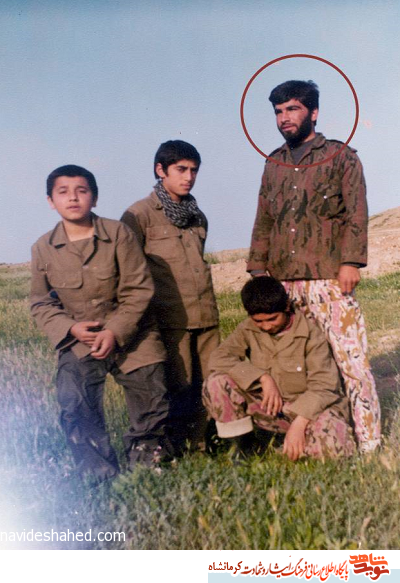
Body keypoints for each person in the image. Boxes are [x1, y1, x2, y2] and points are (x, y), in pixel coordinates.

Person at [247, 80, 380, 453]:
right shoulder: (273, 162)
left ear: (313, 112)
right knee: (298, 365)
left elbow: (356, 212)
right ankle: (314, 437)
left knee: (351, 362)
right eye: (278, 111)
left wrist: (350, 261)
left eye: (293, 109)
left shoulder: (341, 156)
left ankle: (369, 443)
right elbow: (264, 219)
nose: (284, 118)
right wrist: (258, 271)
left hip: (329, 279)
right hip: (283, 284)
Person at [30, 165, 173, 481]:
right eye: (63, 192)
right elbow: (41, 302)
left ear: (94, 198)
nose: (73, 198)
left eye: (81, 191)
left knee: (152, 400)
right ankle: (99, 473)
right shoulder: (42, 248)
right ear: (51, 201)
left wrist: (115, 331)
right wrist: (70, 329)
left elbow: (138, 288)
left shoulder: (118, 234)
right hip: (81, 339)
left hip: (134, 334)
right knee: (74, 402)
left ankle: (146, 468)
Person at [121, 140, 219, 451]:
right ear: (160, 170)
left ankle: (203, 445)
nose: (189, 177)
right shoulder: (138, 215)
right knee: (179, 386)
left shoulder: (197, 216)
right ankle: (178, 449)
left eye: (194, 170)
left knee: (212, 383)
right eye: (181, 169)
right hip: (170, 320)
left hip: (206, 317)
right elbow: (129, 271)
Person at [202, 277, 356, 460]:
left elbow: (324, 386)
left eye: (272, 319)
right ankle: (241, 450)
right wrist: (262, 378)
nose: (266, 326)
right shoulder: (248, 328)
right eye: (258, 321)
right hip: (271, 408)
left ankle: (285, 446)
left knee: (330, 450)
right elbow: (219, 358)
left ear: (286, 307)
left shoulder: (311, 334)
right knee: (217, 382)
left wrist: (299, 424)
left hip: (307, 410)